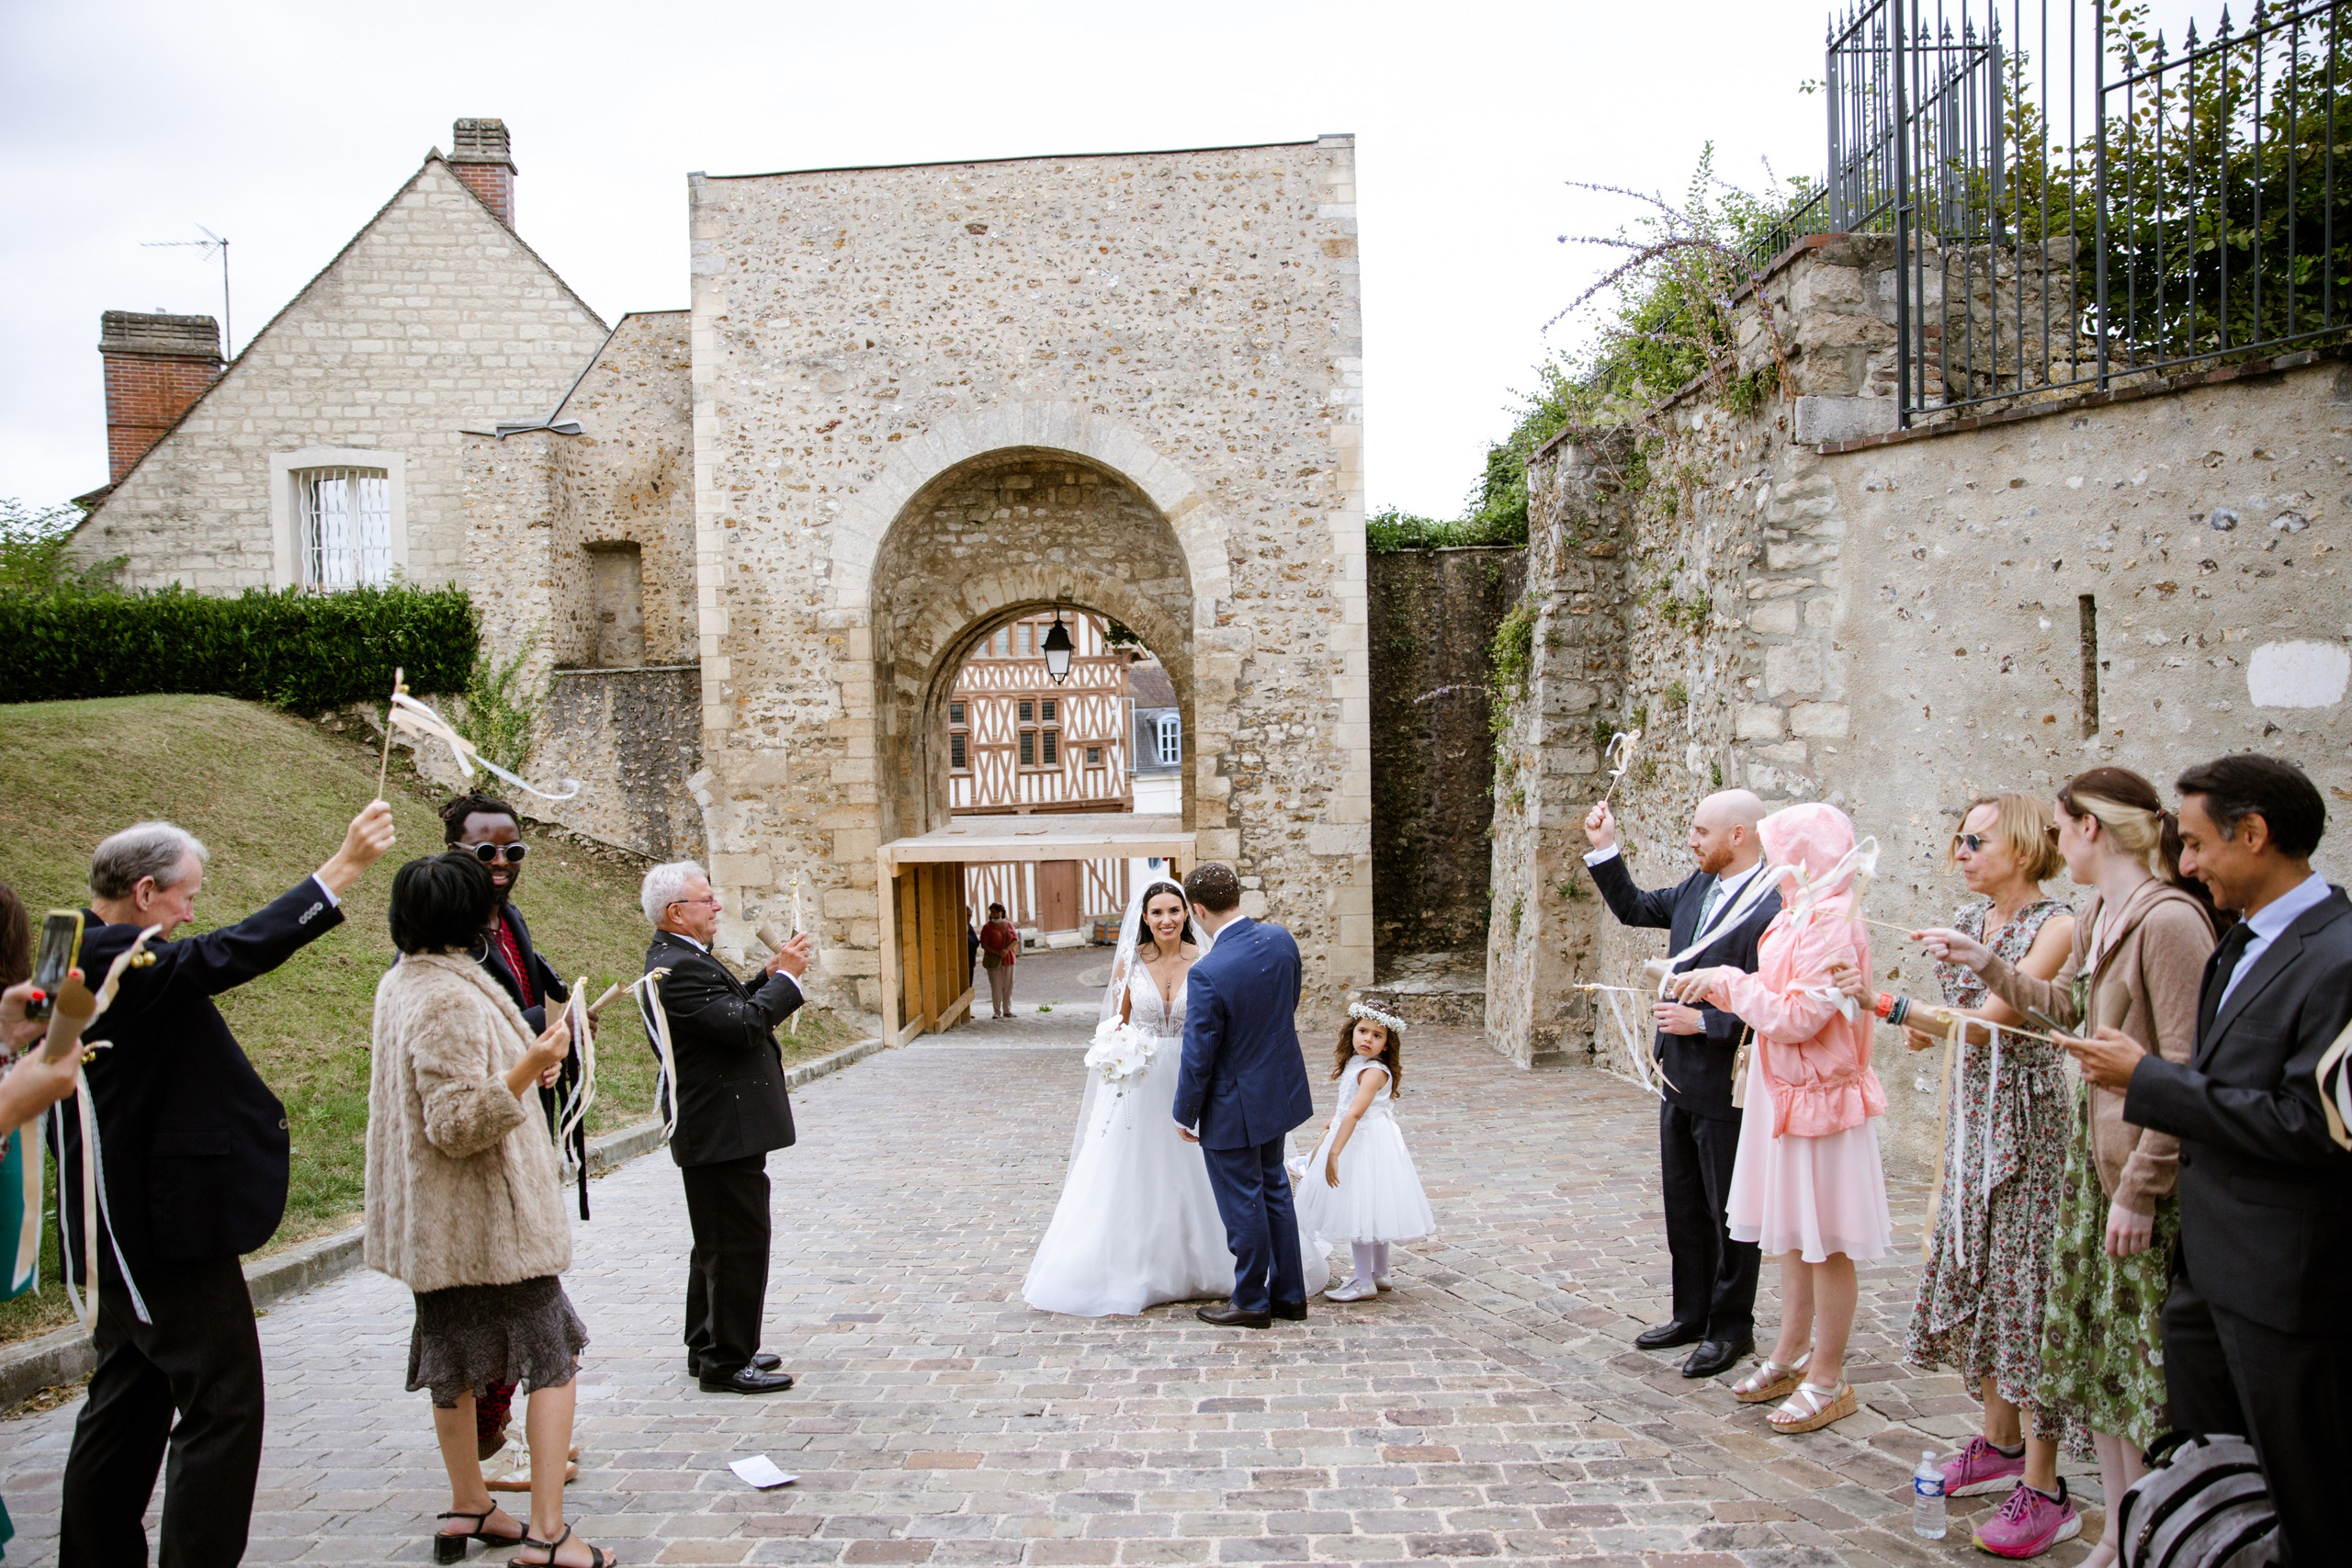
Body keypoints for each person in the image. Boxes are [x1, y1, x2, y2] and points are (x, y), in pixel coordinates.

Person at [53, 803, 396, 1568]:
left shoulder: (66, 943)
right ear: (144, 892)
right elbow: (231, 953)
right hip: (158, 1229)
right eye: (185, 895)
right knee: (224, 1404)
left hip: (116, 1228)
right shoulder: (112, 960)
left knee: (128, 1403)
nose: (191, 910)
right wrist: (343, 867)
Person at [1916, 770, 2214, 1568]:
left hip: (2132, 1176)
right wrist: (1984, 958)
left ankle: (2139, 1529)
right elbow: (2059, 1009)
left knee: (2134, 1365)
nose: (2052, 840)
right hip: (2094, 1165)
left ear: (2090, 829)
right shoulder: (2100, 913)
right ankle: (2120, 1532)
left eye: (2058, 825)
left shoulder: (2171, 919)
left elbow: (2184, 1072)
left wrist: (2143, 1187)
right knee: (2095, 1358)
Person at [2065, 754, 2352, 1568]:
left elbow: (2318, 1127)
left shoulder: (2339, 957)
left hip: (2285, 1292)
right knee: (2216, 1491)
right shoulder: (2246, 941)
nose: (2185, 865)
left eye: (2194, 845)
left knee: (2307, 1504)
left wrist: (2147, 1081)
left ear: (2254, 834)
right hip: (2211, 1278)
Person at [366, 852, 608, 1568]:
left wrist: (531, 1062)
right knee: (553, 1357)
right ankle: (548, 1531)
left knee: (455, 1367)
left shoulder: (405, 980)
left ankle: (468, 1502)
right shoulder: (446, 995)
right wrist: (531, 1068)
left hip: (441, 1226)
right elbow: (455, 1120)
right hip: (480, 1225)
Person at [1667, 801, 1891, 1434]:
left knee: (1826, 1241)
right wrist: (1724, 982)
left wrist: (1730, 983)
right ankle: (1790, 1352)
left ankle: (1828, 1374)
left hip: (1820, 1092)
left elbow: (1798, 1016)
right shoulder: (1798, 914)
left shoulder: (1832, 919)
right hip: (1783, 1086)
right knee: (1792, 1233)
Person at [1901, 795, 2078, 1553]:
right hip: (1974, 1119)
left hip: (2029, 1126)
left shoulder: (2058, 924)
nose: (1962, 851)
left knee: (2026, 1285)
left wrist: (1892, 1002)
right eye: (1958, 839)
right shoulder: (1971, 923)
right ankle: (1999, 1443)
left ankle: (2046, 1485)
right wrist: (1907, 1018)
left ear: (2027, 845)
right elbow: (1939, 1032)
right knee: (1985, 1278)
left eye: (1978, 839)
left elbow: (1997, 1016)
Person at [1024, 880, 1328, 1314]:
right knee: (1150, 1176)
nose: (1167, 920)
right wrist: (1116, 1053)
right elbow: (1116, 1025)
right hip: (1145, 1083)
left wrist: (1189, 1109)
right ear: (1144, 920)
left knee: (1233, 1187)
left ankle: (1242, 1286)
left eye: (1174, 910)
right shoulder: (1131, 963)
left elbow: (1214, 1035)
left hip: (1203, 1084)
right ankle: (1248, 1286)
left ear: (1191, 913)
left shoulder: (1209, 962)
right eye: (1157, 913)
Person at [1581, 791, 1780, 1380]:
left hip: (1729, 1076)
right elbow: (1635, 907)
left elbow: (1781, 996)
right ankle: (1690, 1313)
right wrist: (1604, 849)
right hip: (1677, 1072)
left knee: (1729, 1210)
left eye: (1700, 831)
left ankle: (1730, 1329)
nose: (1691, 841)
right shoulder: (1698, 887)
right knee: (1684, 1203)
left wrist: (1708, 1021)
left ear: (1738, 834)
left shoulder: (1774, 904)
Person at [439, 792, 578, 1482]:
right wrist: (527, 1056)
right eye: (484, 850)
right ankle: (489, 1446)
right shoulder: (449, 936)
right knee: (494, 1309)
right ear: (453, 850)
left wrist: (551, 1056)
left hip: (520, 1126)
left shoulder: (510, 921)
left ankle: (512, 1433)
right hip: (478, 1137)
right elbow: (457, 1047)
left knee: (525, 1300)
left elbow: (537, 1003)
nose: (500, 862)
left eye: (512, 850)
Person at [641, 861, 808, 1393]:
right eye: (706, 899)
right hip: (719, 1125)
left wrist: (766, 975)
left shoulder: (684, 958)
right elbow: (742, 1026)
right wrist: (785, 981)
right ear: (677, 912)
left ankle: (709, 1344)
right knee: (738, 1243)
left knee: (715, 1243)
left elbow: (728, 1006)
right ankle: (727, 1360)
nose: (716, 907)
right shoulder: (679, 966)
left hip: (719, 1124)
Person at [1171, 863, 1317, 1328]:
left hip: (1232, 1103)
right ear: (1237, 895)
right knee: (1274, 1188)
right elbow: (1286, 1004)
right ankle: (1291, 1295)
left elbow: (1199, 1055)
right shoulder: (1281, 940)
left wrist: (1185, 1113)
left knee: (1243, 1201)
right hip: (1277, 1088)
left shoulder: (1208, 971)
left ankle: (1251, 1300)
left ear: (1197, 909)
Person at [1295, 1003, 1434, 1303]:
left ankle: (1362, 1280)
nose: (1368, 1039)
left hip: (1362, 1144)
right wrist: (1336, 1116)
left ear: (1386, 1045)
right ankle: (1379, 1273)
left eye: (1377, 1035)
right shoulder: (1358, 1063)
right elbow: (1351, 1105)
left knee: (1358, 1207)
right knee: (1374, 1207)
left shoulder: (1373, 1071)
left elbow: (1356, 1114)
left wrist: (1333, 1153)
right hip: (1365, 1137)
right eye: (1363, 1031)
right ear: (1352, 1032)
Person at [979, 903, 1019, 1019]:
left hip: (1009, 959)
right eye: (993, 912)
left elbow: (1015, 940)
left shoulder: (1009, 925)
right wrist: (997, 952)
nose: (995, 915)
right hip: (994, 960)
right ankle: (996, 1011)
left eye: (997, 912)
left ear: (1002, 913)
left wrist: (1006, 950)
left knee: (1008, 986)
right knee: (996, 986)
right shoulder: (987, 927)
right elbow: (984, 944)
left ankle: (1007, 1010)